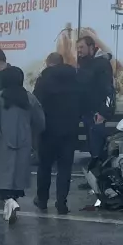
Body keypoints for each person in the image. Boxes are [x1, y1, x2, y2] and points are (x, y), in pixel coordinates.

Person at [0, 64, 44, 224]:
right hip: (24, 142)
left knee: (3, 175)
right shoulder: (30, 98)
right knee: (17, 175)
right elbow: (40, 122)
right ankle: (12, 203)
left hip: (2, 141)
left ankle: (10, 203)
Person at [33, 52, 80, 214]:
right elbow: (83, 101)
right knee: (65, 168)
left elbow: (36, 103)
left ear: (48, 63)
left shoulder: (43, 80)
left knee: (45, 166)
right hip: (69, 130)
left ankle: (42, 200)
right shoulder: (75, 79)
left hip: (48, 130)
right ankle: (61, 202)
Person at [76, 35, 115, 162]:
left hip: (96, 114)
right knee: (92, 147)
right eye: (78, 48)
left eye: (81, 47)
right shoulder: (84, 63)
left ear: (91, 47)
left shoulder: (102, 64)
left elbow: (109, 90)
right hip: (86, 112)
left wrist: (104, 113)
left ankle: (101, 175)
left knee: (98, 150)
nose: (79, 50)